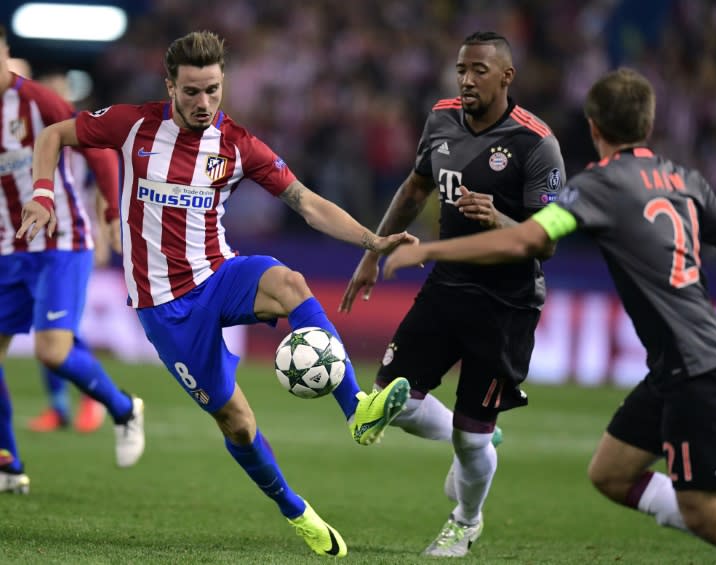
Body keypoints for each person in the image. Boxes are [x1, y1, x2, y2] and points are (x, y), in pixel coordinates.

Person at [18, 30, 413, 558]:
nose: (204, 103)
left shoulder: (237, 144)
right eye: (191, 92)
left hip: (219, 273)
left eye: (212, 90)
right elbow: (53, 136)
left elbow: (306, 202)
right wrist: (42, 193)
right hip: (165, 308)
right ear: (170, 87)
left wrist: (372, 239)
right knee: (239, 424)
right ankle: (296, 509)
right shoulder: (132, 124)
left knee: (292, 282)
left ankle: (357, 411)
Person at [382, 67, 716, 564]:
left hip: (698, 369)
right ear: (648, 125)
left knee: (705, 512)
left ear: (593, 127)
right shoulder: (682, 177)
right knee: (609, 473)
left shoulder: (600, 186)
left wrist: (432, 252)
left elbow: (530, 238)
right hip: (679, 365)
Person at [340, 31, 565, 557]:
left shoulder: (538, 144)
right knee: (387, 400)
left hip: (506, 305)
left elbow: (549, 243)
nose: (466, 80)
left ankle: (465, 519)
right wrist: (373, 251)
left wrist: (501, 218)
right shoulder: (440, 118)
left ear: (506, 77)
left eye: (479, 71)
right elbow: (416, 187)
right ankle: (480, 445)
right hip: (446, 285)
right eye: (461, 69)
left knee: (470, 437)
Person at [0, 25, 145, 495]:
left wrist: (107, 205)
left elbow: (95, 144)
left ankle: (123, 408)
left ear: (5, 53)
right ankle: (7, 465)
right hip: (8, 247)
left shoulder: (38, 101)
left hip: (63, 241)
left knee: (52, 350)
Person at [5, 62, 107, 434]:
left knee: (60, 327)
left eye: (56, 83)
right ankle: (60, 406)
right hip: (30, 240)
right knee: (45, 324)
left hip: (72, 239)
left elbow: (96, 186)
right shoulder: (26, 132)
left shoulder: (78, 132)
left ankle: (91, 398)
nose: (50, 89)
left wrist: (102, 231)